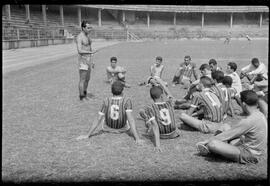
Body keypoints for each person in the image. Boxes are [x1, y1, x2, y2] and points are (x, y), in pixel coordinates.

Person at [196, 90, 267, 164]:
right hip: (250, 147)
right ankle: (220, 148)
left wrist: (207, 141)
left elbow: (228, 135)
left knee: (213, 144)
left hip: (250, 154)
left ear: (243, 104)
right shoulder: (260, 114)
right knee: (225, 126)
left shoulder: (249, 121)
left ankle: (212, 149)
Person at [76, 81, 144, 144]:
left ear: (111, 91)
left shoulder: (106, 100)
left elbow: (98, 118)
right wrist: (137, 138)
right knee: (128, 118)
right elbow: (130, 120)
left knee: (102, 117)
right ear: (122, 91)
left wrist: (87, 135)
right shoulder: (127, 100)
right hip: (123, 128)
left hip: (107, 128)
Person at [139, 86, 180, 151]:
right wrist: (160, 81)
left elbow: (155, 126)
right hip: (174, 134)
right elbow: (169, 94)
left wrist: (157, 145)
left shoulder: (150, 107)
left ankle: (147, 119)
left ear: (151, 97)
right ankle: (147, 118)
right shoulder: (170, 103)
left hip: (161, 135)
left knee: (149, 122)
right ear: (162, 95)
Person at [76, 20, 99, 101]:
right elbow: (79, 50)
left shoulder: (88, 36)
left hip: (89, 60)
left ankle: (84, 94)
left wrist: (92, 60)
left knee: (87, 79)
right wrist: (90, 52)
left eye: (90, 27)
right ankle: (81, 97)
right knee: (82, 79)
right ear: (83, 28)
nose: (90, 29)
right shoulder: (79, 37)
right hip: (83, 61)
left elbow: (90, 47)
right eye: (88, 28)